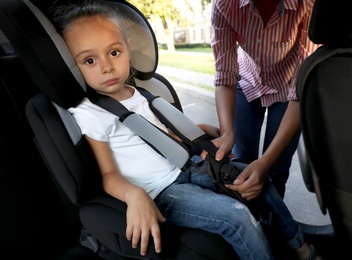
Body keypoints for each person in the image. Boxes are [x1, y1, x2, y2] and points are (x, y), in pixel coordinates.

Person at [51, 1, 323, 259]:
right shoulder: (90, 112)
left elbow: (163, 137)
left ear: (129, 49)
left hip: (189, 168)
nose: (107, 66)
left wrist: (202, 133)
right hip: (163, 191)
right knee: (236, 216)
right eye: (89, 61)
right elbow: (109, 174)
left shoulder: (142, 93)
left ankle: (300, 248)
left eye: (114, 52)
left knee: (255, 180)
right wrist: (134, 195)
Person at [210, 0, 320, 198]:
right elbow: (225, 74)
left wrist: (266, 162)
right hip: (247, 81)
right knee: (240, 162)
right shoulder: (224, 4)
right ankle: (249, 219)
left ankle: (273, 225)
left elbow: (301, 90)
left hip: (289, 89)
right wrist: (227, 133)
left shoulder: (308, 4)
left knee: (276, 169)